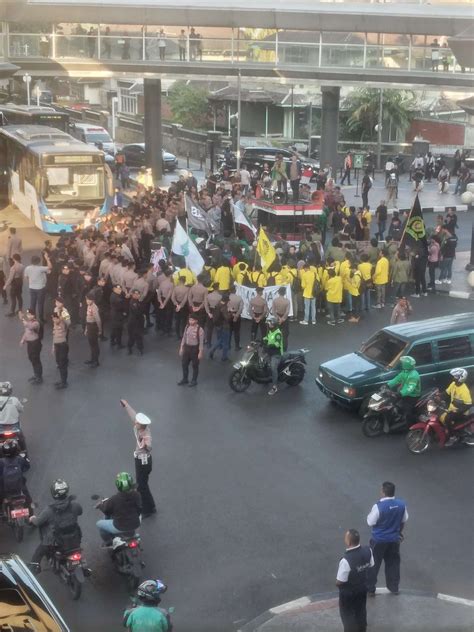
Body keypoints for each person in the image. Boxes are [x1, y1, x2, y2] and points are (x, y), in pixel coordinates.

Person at [30, 479, 82, 571]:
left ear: (53, 493)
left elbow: (38, 522)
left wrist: (32, 518)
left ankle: (33, 568)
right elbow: (80, 512)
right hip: (75, 538)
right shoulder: (75, 505)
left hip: (57, 542)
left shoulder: (49, 510)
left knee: (40, 550)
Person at [367, 481, 408, 596]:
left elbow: (370, 522)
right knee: (393, 563)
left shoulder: (378, 506)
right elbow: (403, 520)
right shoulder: (401, 505)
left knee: (374, 564)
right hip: (394, 540)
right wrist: (399, 532)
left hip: (379, 540)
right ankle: (394, 587)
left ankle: (370, 589)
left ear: (383, 492)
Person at [121, 401, 156, 517]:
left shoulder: (145, 434)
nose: (135, 422)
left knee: (142, 486)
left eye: (138, 423)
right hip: (140, 459)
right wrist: (126, 405)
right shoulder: (139, 427)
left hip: (143, 461)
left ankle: (147, 510)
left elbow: (149, 446)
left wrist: (144, 443)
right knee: (143, 484)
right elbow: (133, 415)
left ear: (142, 425)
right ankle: (150, 506)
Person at [336, 529, 374, 632]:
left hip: (348, 593)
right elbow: (371, 564)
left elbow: (340, 581)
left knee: (347, 615)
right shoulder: (368, 550)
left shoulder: (345, 560)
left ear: (349, 542)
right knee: (361, 610)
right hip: (362, 588)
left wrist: (337, 584)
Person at [96, 472, 142, 542]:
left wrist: (100, 506)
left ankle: (108, 542)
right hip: (135, 524)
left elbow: (106, 511)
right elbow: (139, 509)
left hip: (119, 526)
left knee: (99, 524)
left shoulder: (114, 499)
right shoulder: (137, 495)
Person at [386, 355, 421, 422]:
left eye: (402, 363)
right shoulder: (405, 372)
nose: (401, 364)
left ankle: (409, 426)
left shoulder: (413, 375)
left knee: (407, 411)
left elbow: (410, 388)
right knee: (391, 403)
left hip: (412, 396)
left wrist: (400, 393)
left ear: (406, 365)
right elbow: (397, 379)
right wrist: (387, 385)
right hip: (402, 393)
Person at [441, 368, 472, 440]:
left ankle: (453, 436)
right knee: (440, 415)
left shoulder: (464, 390)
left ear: (461, 378)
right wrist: (438, 396)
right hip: (451, 408)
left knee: (447, 419)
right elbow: (446, 393)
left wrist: (458, 411)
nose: (453, 378)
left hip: (460, 412)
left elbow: (468, 404)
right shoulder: (453, 384)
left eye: (455, 377)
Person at [0, 439, 31, 507]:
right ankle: (31, 515)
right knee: (28, 499)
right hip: (19, 488)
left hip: (5, 489)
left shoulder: (1, 462)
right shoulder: (19, 459)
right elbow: (27, 466)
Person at [23, 253, 52, 323]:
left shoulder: (27, 268)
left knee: (32, 303)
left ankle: (33, 318)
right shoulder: (40, 268)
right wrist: (47, 259)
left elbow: (26, 277)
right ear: (38, 261)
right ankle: (41, 318)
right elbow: (50, 267)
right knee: (40, 304)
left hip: (32, 288)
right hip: (40, 288)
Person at [178, 314, 204, 386]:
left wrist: (200, 352)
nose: (190, 321)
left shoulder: (200, 329)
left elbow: (201, 342)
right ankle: (185, 379)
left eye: (192, 320)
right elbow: (184, 337)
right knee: (184, 364)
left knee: (195, 365)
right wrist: (181, 348)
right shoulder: (187, 327)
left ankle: (194, 380)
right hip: (187, 348)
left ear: (196, 321)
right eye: (189, 320)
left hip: (194, 349)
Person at [18, 309, 43, 384]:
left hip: (35, 344)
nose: (28, 316)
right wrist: (23, 340)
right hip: (30, 344)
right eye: (28, 315)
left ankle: (39, 377)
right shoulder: (28, 322)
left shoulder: (36, 323)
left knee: (36, 359)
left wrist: (22, 318)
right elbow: (26, 332)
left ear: (34, 315)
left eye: (30, 315)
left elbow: (30, 327)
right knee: (31, 358)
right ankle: (36, 374)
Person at [52, 298, 70, 389]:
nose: (56, 304)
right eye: (56, 302)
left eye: (58, 302)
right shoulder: (55, 309)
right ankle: (61, 380)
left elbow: (68, 322)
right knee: (59, 360)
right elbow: (54, 320)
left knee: (62, 361)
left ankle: (64, 382)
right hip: (57, 335)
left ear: (62, 303)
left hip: (63, 336)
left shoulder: (64, 311)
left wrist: (62, 322)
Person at [263, 316, 283, 396]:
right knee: (263, 361)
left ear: (273, 324)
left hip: (276, 354)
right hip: (270, 352)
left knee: (273, 367)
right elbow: (267, 338)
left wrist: (269, 345)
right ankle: (267, 378)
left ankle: (275, 387)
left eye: (270, 323)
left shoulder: (278, 333)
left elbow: (277, 344)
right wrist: (261, 340)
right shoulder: (270, 331)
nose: (268, 325)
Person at [84, 292, 101, 368]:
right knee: (91, 345)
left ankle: (96, 361)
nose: (87, 301)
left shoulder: (94, 307)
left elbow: (98, 320)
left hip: (93, 327)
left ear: (92, 300)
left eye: (88, 299)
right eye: (86, 299)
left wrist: (100, 330)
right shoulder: (89, 306)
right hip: (89, 326)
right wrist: (86, 329)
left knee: (94, 345)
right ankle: (92, 359)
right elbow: (87, 318)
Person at [271, 286, 291, 350]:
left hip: (277, 317)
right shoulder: (287, 301)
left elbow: (273, 311)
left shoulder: (275, 300)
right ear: (285, 293)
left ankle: (276, 347)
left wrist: (278, 318)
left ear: (278, 292)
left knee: (276, 333)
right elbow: (287, 312)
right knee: (285, 334)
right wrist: (283, 319)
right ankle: (284, 349)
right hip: (284, 318)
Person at [110, 284, 128, 349]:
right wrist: (125, 312)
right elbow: (121, 307)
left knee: (114, 328)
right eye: (118, 289)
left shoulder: (113, 294)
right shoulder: (117, 298)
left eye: (120, 289)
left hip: (113, 314)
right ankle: (119, 344)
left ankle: (112, 341)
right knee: (119, 330)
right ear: (114, 289)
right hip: (118, 315)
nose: (120, 290)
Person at [128, 288, 145, 355]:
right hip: (133, 322)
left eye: (138, 294)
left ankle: (140, 348)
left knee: (139, 336)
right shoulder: (133, 302)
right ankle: (130, 348)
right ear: (132, 294)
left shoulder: (138, 301)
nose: (137, 295)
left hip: (138, 321)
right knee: (132, 336)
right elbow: (137, 312)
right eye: (135, 294)